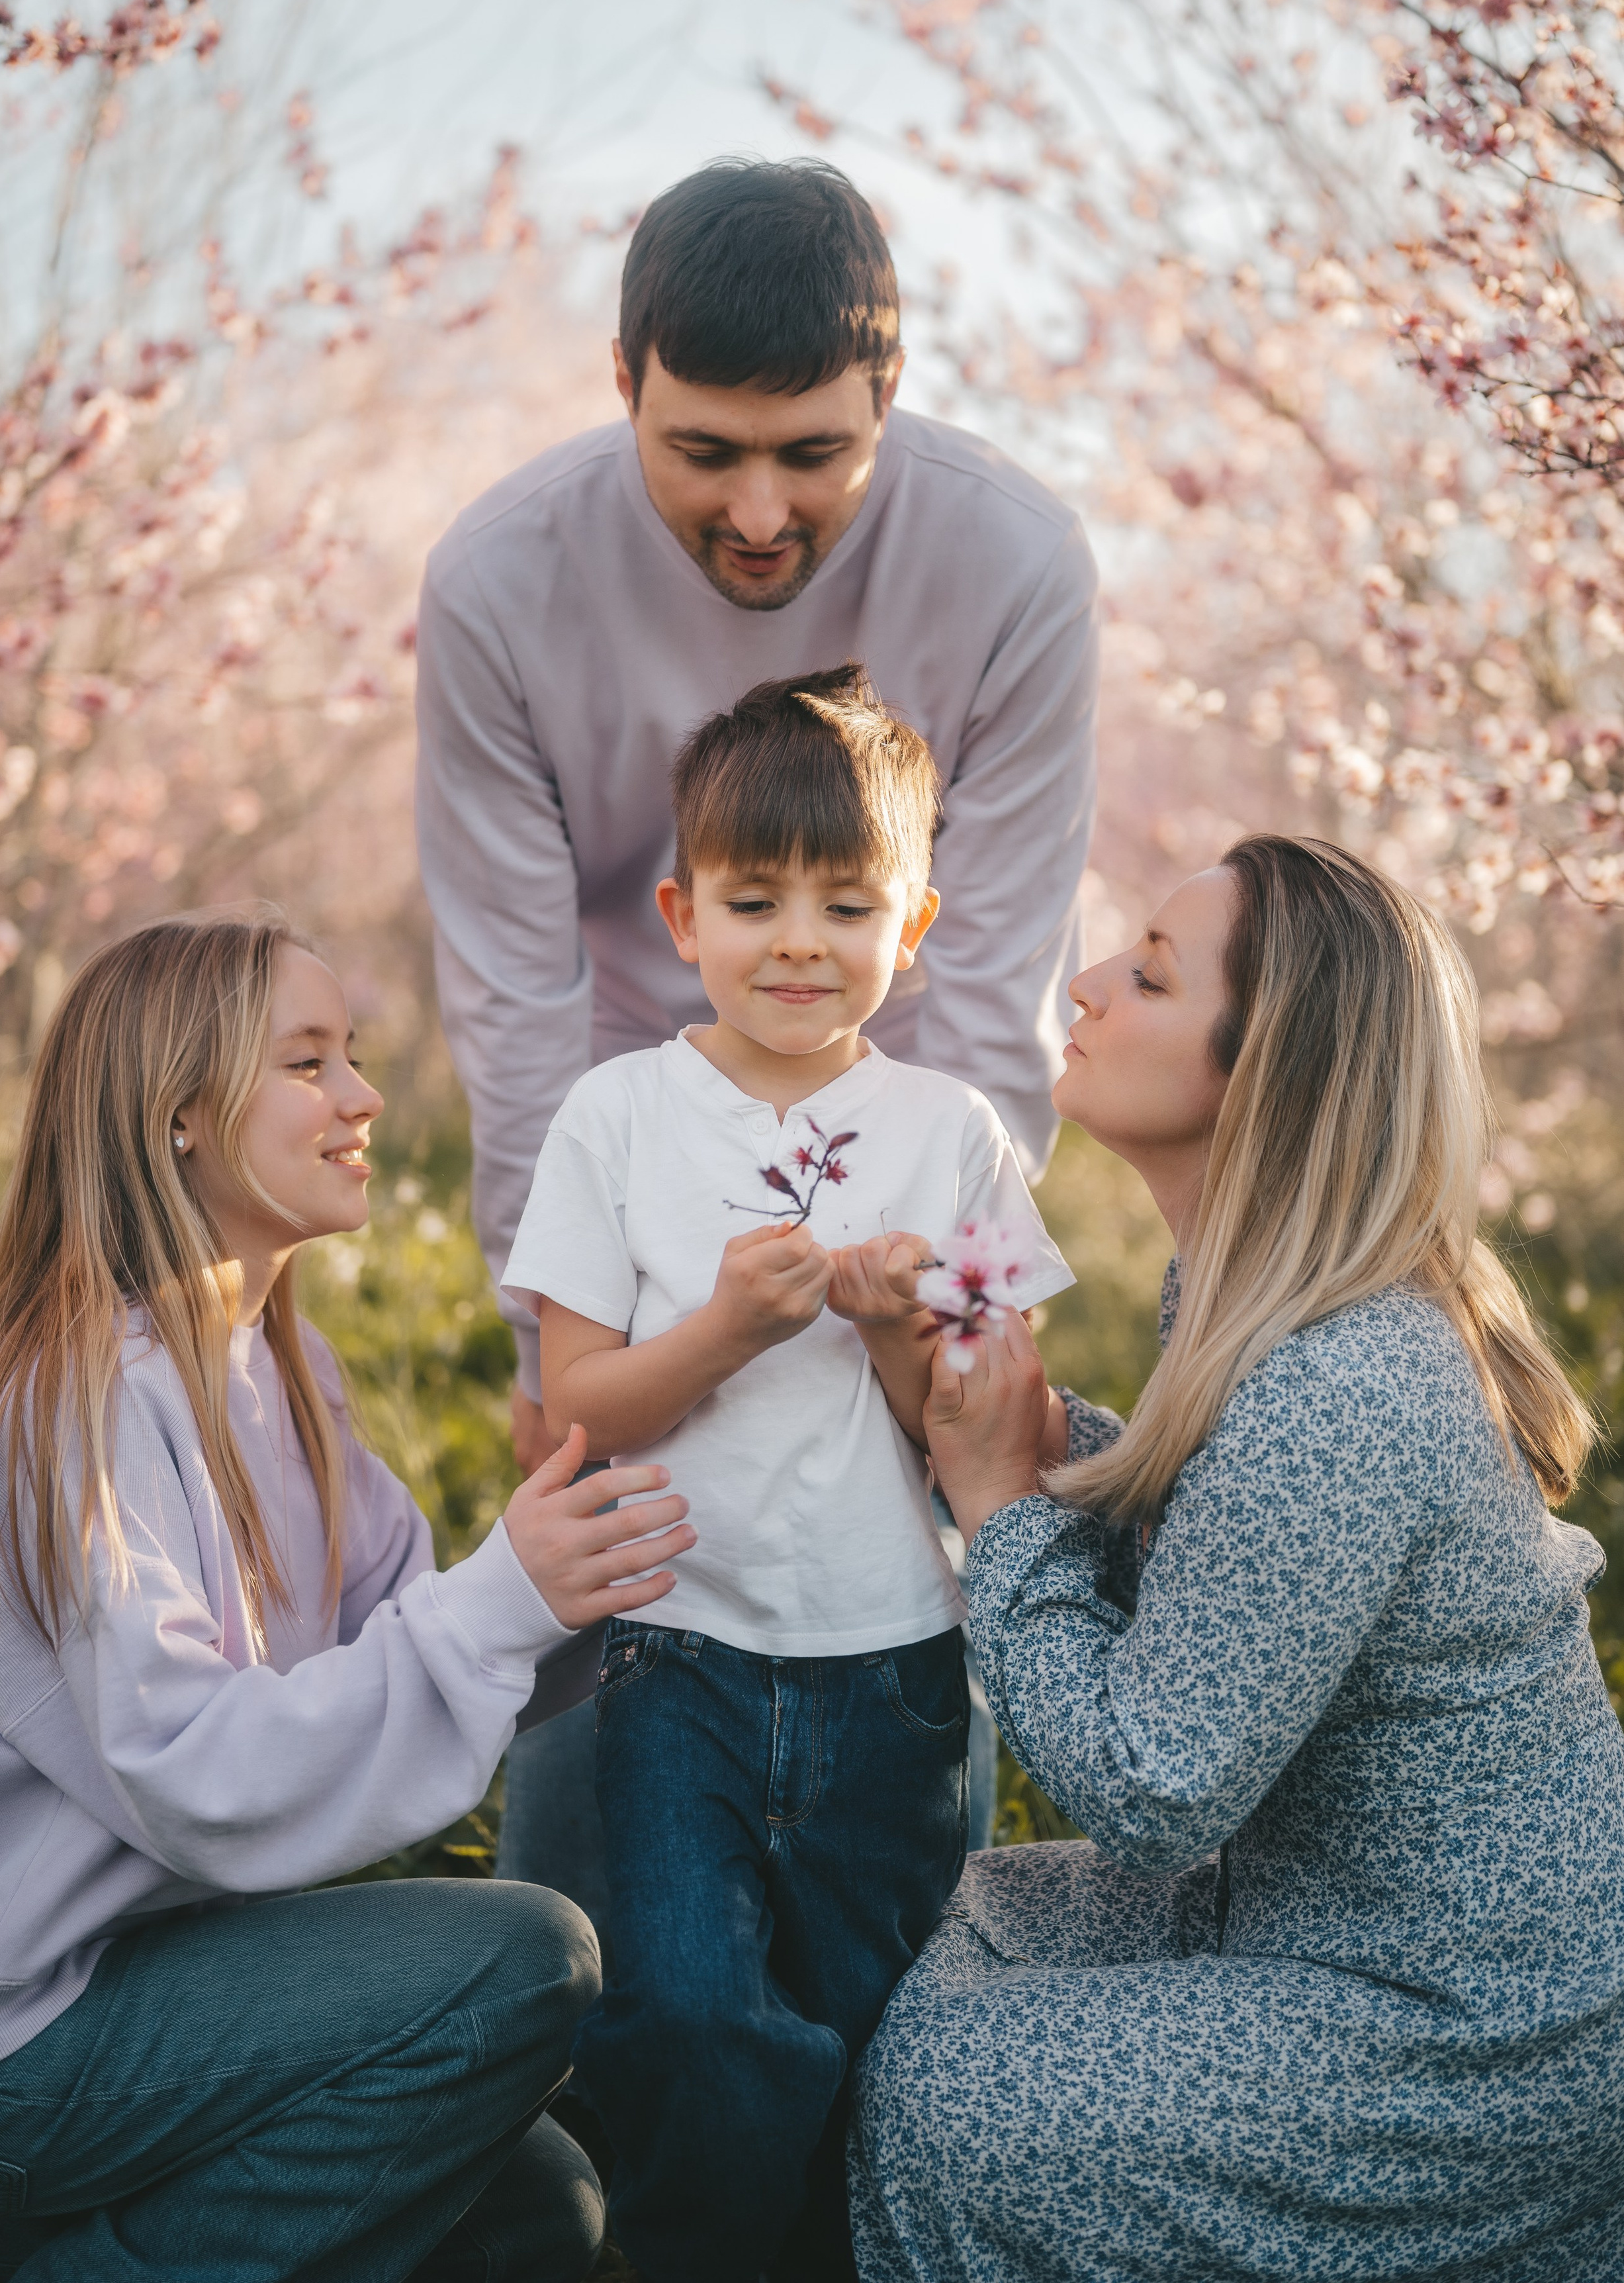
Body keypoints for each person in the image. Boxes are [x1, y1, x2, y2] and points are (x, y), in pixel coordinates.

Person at [414, 154, 1099, 1914]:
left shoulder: (1015, 562)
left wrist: (951, 1332)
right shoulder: (502, 577)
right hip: (617, 1105)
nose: (765, 514)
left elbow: (992, 991)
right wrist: (541, 1314)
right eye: (705, 452)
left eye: (818, 454)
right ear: (624, 383)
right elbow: (515, 993)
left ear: (893, 393)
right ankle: (596, 1993)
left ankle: (895, 1979)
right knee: (615, 1526)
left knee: (883, 1521)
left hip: (891, 1089)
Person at [848, 836, 1624, 2280]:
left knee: (948, 2091)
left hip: (1466, 2025)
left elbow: (1156, 1782)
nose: (1080, 984)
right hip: (1323, 1914)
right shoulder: (1259, 1304)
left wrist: (1003, 1499)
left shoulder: (1340, 1387)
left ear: (1265, 1066)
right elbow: (1225, 1568)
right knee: (949, 1909)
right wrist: (1025, 1429)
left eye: (1143, 972)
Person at [0, 910, 696, 2282]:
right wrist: (503, 1601)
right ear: (179, 1117)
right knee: (528, 1959)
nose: (361, 1096)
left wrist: (624, 1560)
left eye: (350, 1053)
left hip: (153, 1971)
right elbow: (194, 1769)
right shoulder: (74, 1405)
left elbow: (421, 1614)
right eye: (308, 1062)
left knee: (537, 2206)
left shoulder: (281, 1370)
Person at [500, 669, 1073, 2282]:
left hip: (889, 1661)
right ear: (682, 913)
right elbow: (578, 1406)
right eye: (753, 900)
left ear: (919, 918)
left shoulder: (949, 1130)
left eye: (847, 901)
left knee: (869, 2006)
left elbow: (990, 1434)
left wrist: (903, 1337)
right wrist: (725, 1331)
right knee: (684, 2000)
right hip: (675, 1648)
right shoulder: (615, 1116)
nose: (799, 941)